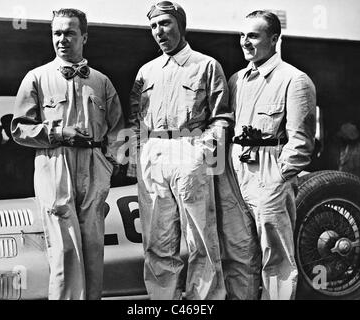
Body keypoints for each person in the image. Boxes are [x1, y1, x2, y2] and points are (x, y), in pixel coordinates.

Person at [12, 8, 125, 300]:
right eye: (57, 33)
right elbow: (20, 129)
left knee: (92, 247)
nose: (62, 39)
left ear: (84, 36)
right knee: (63, 250)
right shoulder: (36, 77)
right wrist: (59, 134)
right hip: (55, 165)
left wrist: (107, 166)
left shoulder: (101, 82)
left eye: (70, 32)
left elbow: (118, 131)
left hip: (93, 168)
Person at [127, 1, 232, 300]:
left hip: (190, 147)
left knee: (200, 237)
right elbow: (135, 119)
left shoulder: (206, 65)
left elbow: (222, 117)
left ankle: (205, 301)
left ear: (180, 25)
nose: (158, 32)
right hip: (154, 151)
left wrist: (202, 154)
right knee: (158, 239)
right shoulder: (146, 72)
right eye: (153, 27)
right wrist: (139, 155)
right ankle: (163, 300)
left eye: (164, 24)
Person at [227, 10, 316, 300]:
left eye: (253, 35)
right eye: (242, 35)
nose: (245, 42)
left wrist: (279, 177)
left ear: (275, 39)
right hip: (237, 175)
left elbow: (301, 142)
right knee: (241, 255)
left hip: (269, 174)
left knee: (275, 258)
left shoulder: (294, 79)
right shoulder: (236, 80)